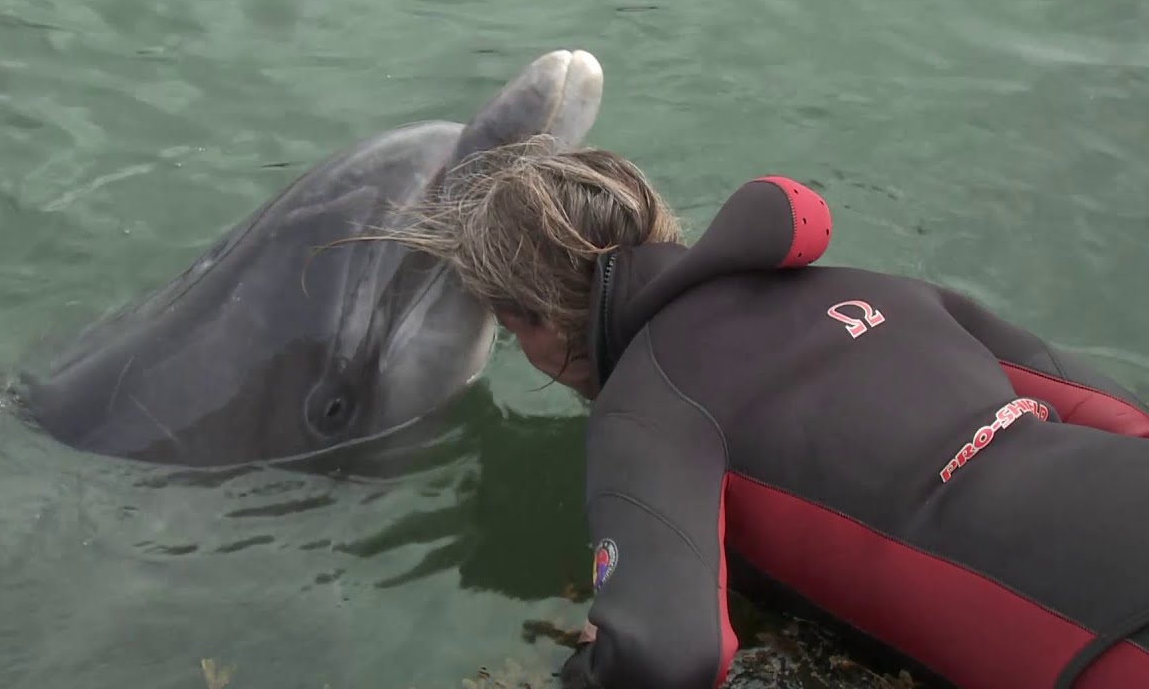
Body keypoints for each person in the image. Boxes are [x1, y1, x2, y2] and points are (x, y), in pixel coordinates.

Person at [385, 135, 1149, 689]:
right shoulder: (881, 288)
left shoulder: (650, 401)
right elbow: (1123, 418)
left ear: (529, 323)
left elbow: (672, 659)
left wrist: (592, 655)